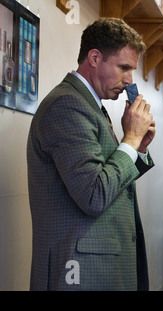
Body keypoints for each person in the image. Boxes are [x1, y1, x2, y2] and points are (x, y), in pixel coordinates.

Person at [27, 18, 156, 291]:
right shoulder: (67, 105)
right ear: (95, 58)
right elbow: (94, 194)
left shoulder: (91, 105)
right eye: (124, 67)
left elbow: (111, 179)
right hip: (77, 272)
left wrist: (138, 147)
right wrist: (130, 141)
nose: (129, 80)